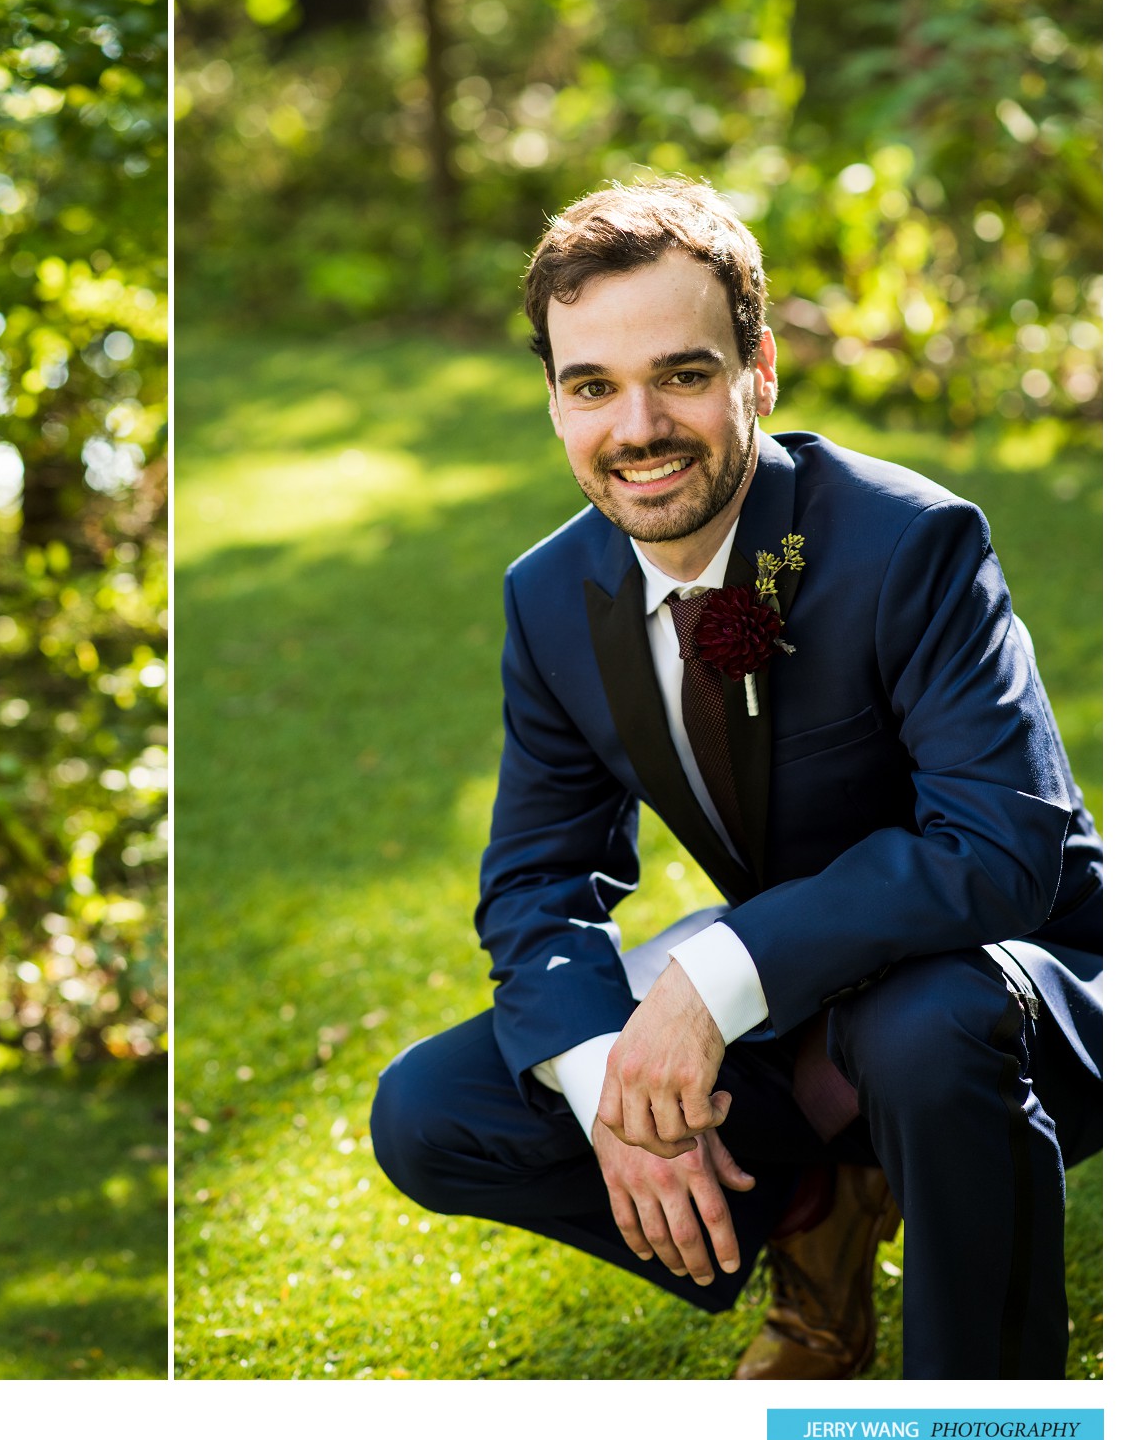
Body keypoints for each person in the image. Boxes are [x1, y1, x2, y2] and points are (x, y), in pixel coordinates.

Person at [369, 178, 1102, 1379]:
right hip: (803, 989)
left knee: (927, 1024)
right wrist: (621, 1091)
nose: (638, 425)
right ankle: (816, 1215)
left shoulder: (910, 542)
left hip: (1028, 970)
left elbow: (1007, 848)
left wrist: (711, 981)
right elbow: (535, 887)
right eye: (592, 385)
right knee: (430, 1109)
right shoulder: (550, 597)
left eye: (684, 374)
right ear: (553, 401)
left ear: (759, 369)